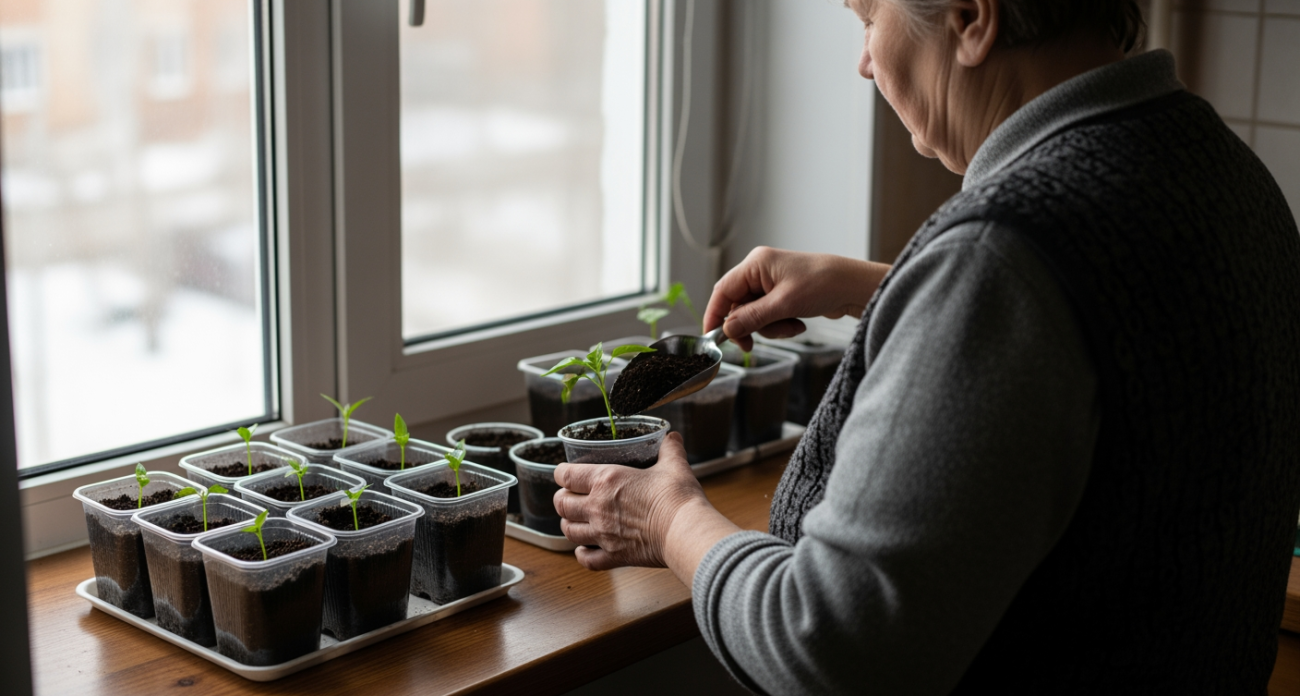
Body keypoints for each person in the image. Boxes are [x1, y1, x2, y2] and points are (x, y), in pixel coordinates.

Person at [551, 0, 1300, 692]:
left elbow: (835, 651)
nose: (865, 61)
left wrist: (670, 520)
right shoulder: (1220, 170)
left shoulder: (1000, 261)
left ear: (973, 18)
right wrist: (886, 290)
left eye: (868, 15)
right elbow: (1120, 343)